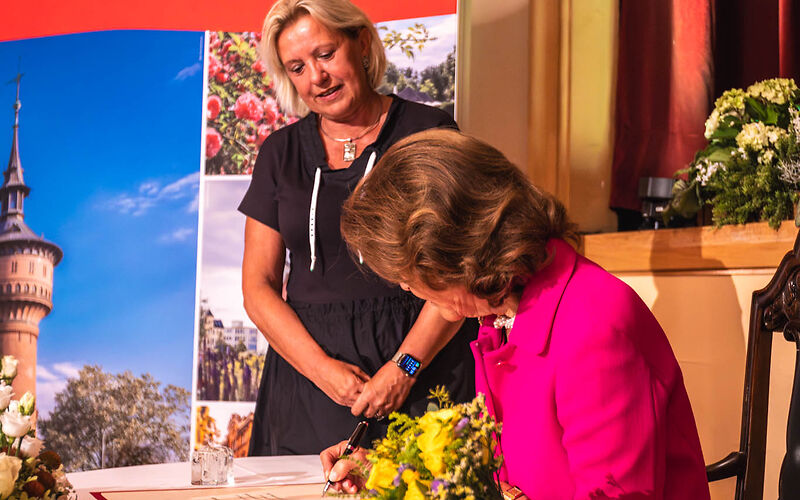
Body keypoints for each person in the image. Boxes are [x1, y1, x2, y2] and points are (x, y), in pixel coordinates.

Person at [321, 129, 711, 500]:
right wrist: (390, 472)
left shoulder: (593, 325)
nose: (407, 289)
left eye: (408, 277)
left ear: (456, 259)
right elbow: (506, 476)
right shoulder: (506, 316)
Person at [238, 0, 477, 456]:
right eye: (298, 67)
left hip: (423, 370)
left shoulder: (430, 132)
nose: (316, 77)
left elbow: (459, 270)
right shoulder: (278, 153)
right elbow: (258, 287)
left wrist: (404, 367)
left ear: (362, 43)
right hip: (307, 383)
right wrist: (323, 370)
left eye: (325, 54)